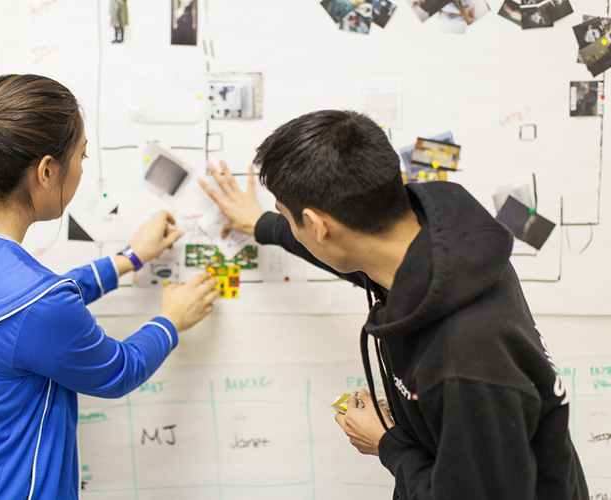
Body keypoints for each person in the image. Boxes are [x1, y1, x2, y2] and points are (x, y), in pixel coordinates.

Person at [0, 74, 218, 500]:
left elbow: (18, 318)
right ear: (47, 171)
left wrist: (126, 261)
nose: (83, 170)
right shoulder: (37, 305)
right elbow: (116, 370)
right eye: (81, 156)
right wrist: (170, 320)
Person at [198, 110, 589, 500]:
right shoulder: (449, 246)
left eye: (291, 219)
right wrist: (263, 224)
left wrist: (389, 444)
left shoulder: (464, 359)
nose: (294, 231)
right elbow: (354, 256)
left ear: (317, 226)